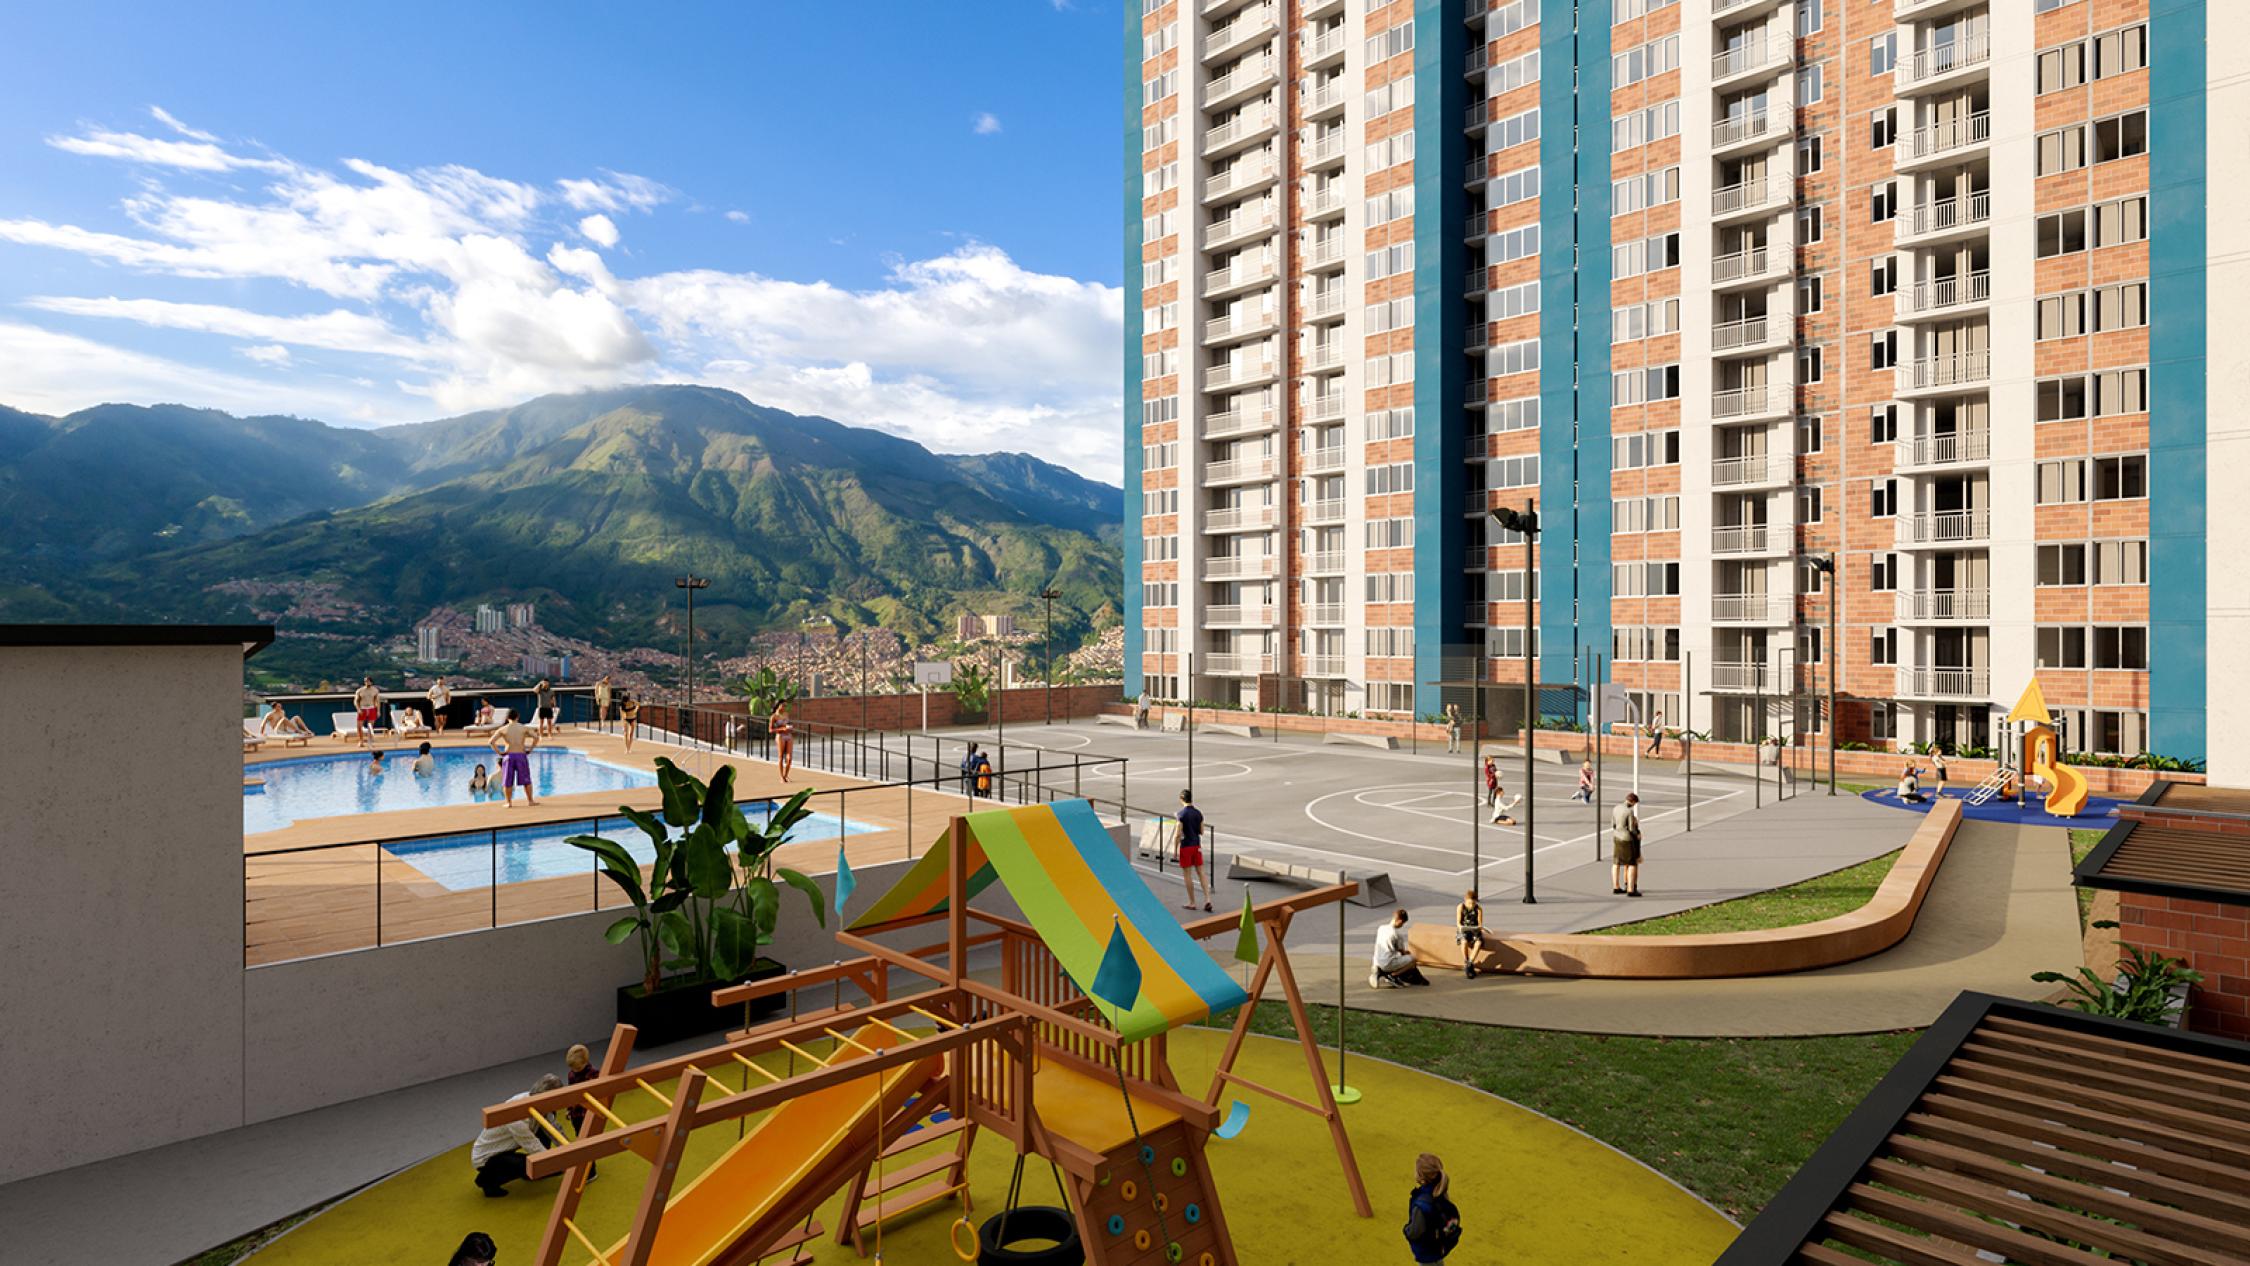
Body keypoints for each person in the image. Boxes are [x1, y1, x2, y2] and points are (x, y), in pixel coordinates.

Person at [470, 1073, 561, 1197]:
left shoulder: (541, 1103)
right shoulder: (516, 1113)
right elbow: (530, 1144)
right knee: (523, 1164)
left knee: (545, 1127)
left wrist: (569, 1152)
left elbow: (554, 1130)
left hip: (509, 1148)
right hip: (488, 1157)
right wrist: (551, 1164)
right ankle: (486, 1182)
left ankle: (537, 1171)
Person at [1402, 1152, 1463, 1263]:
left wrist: (1406, 1230)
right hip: (1439, 1247)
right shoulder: (1440, 1191)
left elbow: (1415, 1231)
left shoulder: (1421, 1204)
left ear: (1420, 1175)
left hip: (1426, 1252)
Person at [1370, 908, 1428, 988]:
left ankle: (1378, 969)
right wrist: (1408, 953)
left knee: (1390, 956)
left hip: (1377, 960)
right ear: (1400, 921)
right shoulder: (1397, 935)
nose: (1402, 926)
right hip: (1387, 963)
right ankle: (1393, 976)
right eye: (1403, 924)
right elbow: (1402, 952)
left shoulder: (1381, 928)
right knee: (1413, 959)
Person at [491, 713, 540, 807]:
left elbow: (491, 742)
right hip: (521, 755)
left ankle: (508, 803)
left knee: (507, 781)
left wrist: (499, 752)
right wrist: (531, 749)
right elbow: (536, 737)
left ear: (507, 718)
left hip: (508, 756)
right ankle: (530, 801)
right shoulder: (523, 728)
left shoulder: (503, 729)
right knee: (526, 779)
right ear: (517, 717)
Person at [1176, 789, 1210, 912]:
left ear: (1181, 799)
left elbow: (1178, 834)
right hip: (1196, 845)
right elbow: (1202, 831)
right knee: (1201, 873)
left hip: (1186, 846)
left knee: (1187, 875)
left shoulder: (1181, 815)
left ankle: (1192, 902)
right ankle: (1207, 899)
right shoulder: (1198, 813)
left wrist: (1175, 849)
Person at [1611, 792, 1643, 897]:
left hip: (1617, 837)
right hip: (1626, 839)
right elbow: (1631, 829)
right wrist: (1638, 835)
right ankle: (1630, 889)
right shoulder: (1629, 812)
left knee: (1616, 863)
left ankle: (1616, 886)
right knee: (1631, 863)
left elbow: (1613, 824)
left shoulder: (1616, 808)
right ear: (1633, 802)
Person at [1454, 890, 1485, 981]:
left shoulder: (1478, 909)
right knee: (1464, 941)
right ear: (1465, 900)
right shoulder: (1460, 907)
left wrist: (1479, 928)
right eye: (1469, 903)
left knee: (1478, 942)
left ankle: (1470, 963)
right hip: (1464, 929)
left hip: (1474, 929)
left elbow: (1480, 923)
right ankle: (1466, 960)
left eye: (1473, 903)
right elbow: (1458, 923)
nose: (1471, 905)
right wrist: (1461, 927)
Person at [353, 676, 382, 746]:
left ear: (371, 682)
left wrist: (378, 711)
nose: (367, 682)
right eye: (365, 681)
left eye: (368, 681)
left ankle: (370, 741)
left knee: (370, 726)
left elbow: (377, 701)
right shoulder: (360, 690)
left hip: (371, 708)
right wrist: (358, 709)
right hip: (362, 709)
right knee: (359, 726)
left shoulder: (375, 690)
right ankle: (361, 741)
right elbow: (356, 701)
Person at [771, 701, 795, 782]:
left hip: (789, 735)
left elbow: (788, 724)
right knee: (781, 756)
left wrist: (790, 727)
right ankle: (781, 776)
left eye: (786, 705)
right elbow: (770, 730)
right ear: (778, 705)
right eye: (783, 705)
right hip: (780, 736)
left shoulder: (786, 714)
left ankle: (786, 775)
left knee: (789, 758)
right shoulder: (774, 716)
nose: (785, 707)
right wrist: (782, 729)